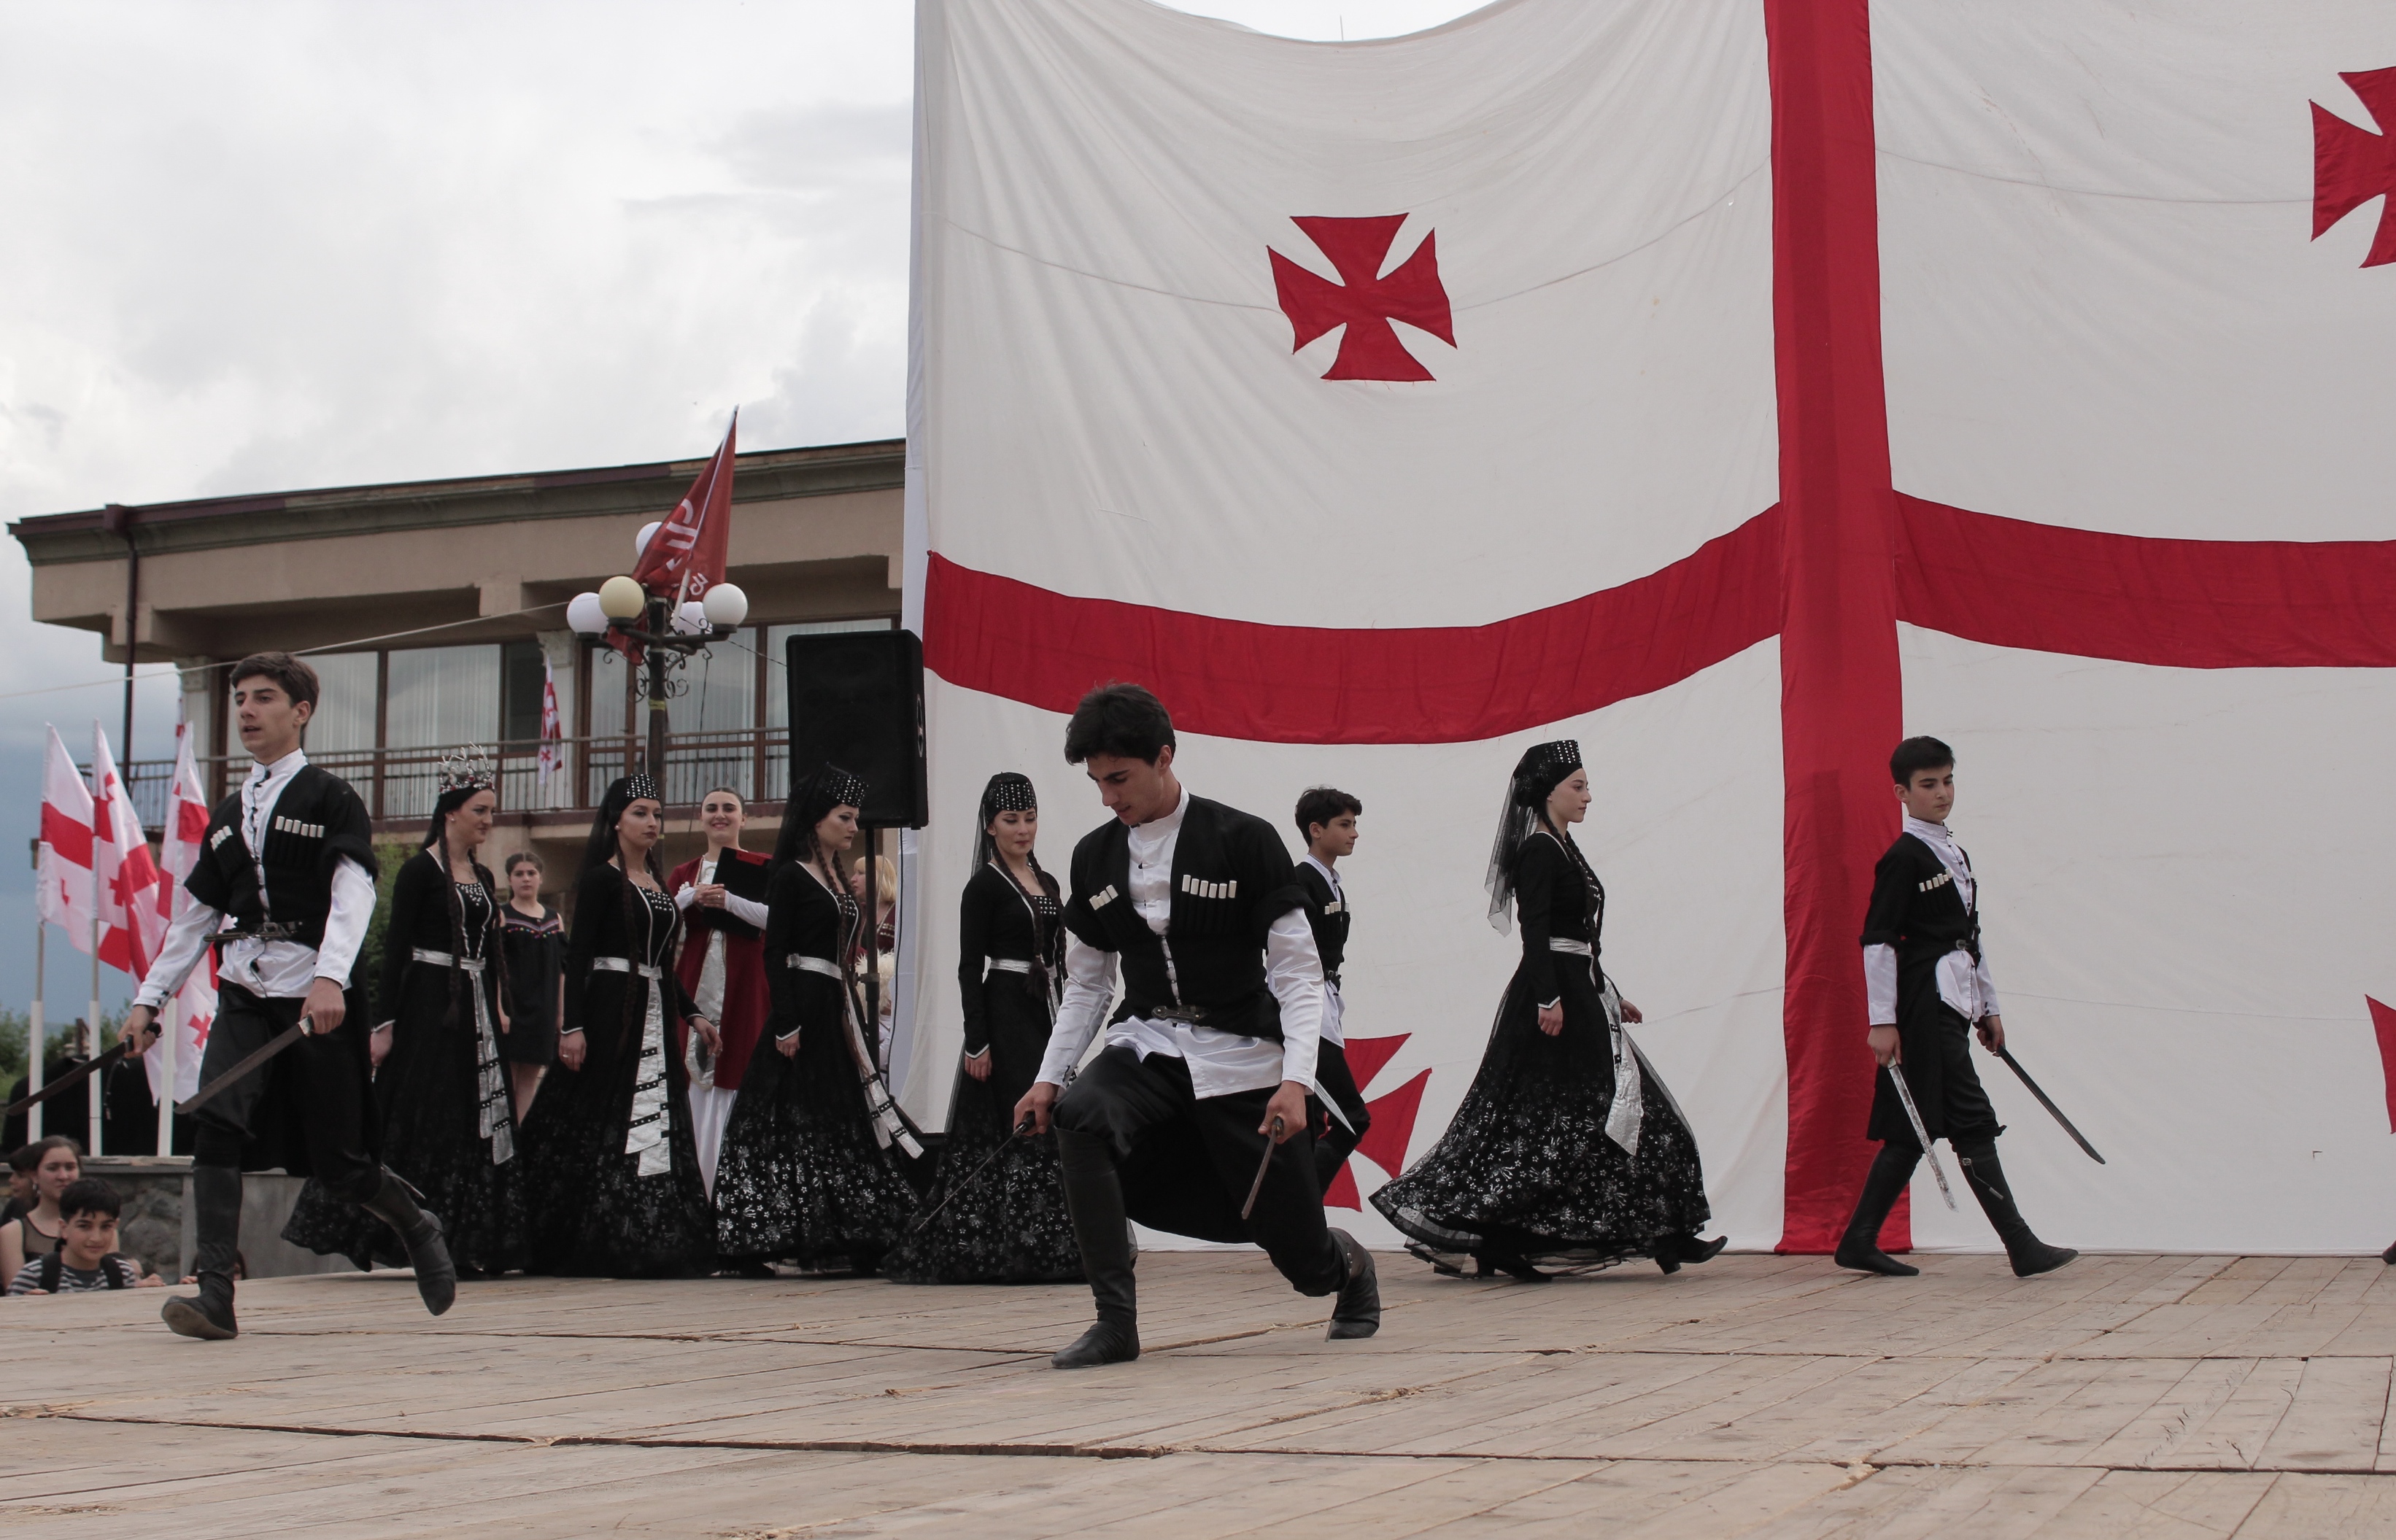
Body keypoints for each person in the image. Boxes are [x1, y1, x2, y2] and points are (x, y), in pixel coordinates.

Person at [1016, 684, 1380, 1369]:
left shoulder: (1244, 839)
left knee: (1302, 1258)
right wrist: (1048, 1078)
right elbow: (1089, 985)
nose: (1108, 797)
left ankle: (1347, 1267)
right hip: (1149, 1041)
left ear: (1164, 757)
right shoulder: (1094, 856)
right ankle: (1115, 1323)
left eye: (1119, 778)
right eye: (1097, 783)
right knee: (1082, 1116)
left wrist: (1297, 1080)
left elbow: (1299, 975)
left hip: (1243, 1051)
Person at [120, 651, 451, 1340]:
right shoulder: (226, 814)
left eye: (263, 697)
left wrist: (331, 976)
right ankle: (215, 1292)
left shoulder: (331, 797)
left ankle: (416, 1224)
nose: (247, 709)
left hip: (313, 992)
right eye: (240, 697)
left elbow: (354, 890)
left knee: (341, 1163)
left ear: (301, 712)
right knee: (216, 1125)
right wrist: (150, 1001)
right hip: (244, 988)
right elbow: (195, 919)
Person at [1372, 740, 1723, 1282]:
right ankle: (1510, 1239)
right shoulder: (1539, 850)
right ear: (1548, 792)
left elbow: (1580, 938)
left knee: (1595, 1117)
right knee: (1574, 1118)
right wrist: (1548, 999)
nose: (1588, 796)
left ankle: (1663, 1234)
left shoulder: (1562, 846)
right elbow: (1535, 930)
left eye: (1586, 786)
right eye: (1578, 786)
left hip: (1578, 992)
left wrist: (1609, 991)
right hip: (1556, 1001)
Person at [1837, 738, 2077, 1279]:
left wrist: (1987, 1007)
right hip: (1923, 1005)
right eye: (1928, 784)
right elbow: (1878, 941)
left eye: (1947, 781)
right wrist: (1882, 1020)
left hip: (1952, 1003)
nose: (1942, 793)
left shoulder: (1955, 854)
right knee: (1969, 1117)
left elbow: (1969, 938)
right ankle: (2021, 1245)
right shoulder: (1903, 858)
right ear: (1902, 793)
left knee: (1914, 1125)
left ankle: (1858, 1240)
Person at [285, 748, 523, 1274]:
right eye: (481, 810)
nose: (489, 820)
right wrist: (385, 1023)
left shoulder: (484, 876)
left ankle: (467, 1236)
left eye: (491, 811)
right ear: (451, 812)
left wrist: (499, 1005)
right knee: (422, 1110)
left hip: (476, 1011)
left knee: (473, 1113)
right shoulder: (419, 871)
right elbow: (395, 950)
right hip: (429, 1007)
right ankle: (403, 1224)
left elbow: (491, 950)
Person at [714, 766, 924, 1273]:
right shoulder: (791, 875)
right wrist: (787, 1022)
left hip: (834, 1003)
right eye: (844, 817)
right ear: (816, 820)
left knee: (836, 1112)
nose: (853, 826)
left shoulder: (836, 879)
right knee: (790, 1111)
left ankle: (840, 1232)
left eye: (855, 818)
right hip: (805, 1004)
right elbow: (775, 950)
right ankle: (778, 1233)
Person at [884, 773, 1081, 1285]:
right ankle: (1014, 1241)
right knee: (1020, 1110)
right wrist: (977, 1040)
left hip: (1045, 1010)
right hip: (1006, 1011)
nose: (1023, 829)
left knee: (1056, 1104)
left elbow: (1058, 956)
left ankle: (1060, 1240)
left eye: (1030, 818)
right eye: (1011, 820)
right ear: (991, 825)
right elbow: (969, 967)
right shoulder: (984, 886)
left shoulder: (1047, 881)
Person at [520, 774, 719, 1277]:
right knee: (600, 1114)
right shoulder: (601, 880)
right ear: (615, 821)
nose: (652, 822)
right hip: (610, 1012)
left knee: (654, 1114)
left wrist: (693, 1013)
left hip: (654, 1011)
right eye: (640, 813)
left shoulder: (657, 884)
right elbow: (579, 955)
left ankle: (649, 1229)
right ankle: (589, 1229)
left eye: (657, 814)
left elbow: (661, 964)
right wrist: (572, 1026)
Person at [669, 787, 773, 1195]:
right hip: (696, 982)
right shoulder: (685, 872)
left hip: (748, 982)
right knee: (693, 1071)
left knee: (741, 1062)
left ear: (744, 818)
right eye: (711, 808)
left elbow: (775, 919)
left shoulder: (763, 866)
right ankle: (695, 1184)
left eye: (729, 808)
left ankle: (739, 1185)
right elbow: (662, 915)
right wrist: (691, 895)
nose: (720, 815)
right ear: (701, 817)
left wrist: (729, 901)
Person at [1293, 787, 1372, 1191]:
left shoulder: (1332, 884)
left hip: (1325, 1002)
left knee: (1313, 1120)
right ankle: (1302, 1205)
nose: (1354, 833)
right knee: (1350, 1118)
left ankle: (1300, 1212)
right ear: (1316, 830)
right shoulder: (1300, 882)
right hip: (1304, 1010)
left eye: (1354, 824)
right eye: (1345, 824)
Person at [7, 1179, 163, 1295]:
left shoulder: (122, 1274)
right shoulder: (34, 1276)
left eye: (105, 1227)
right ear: (64, 1228)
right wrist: (29, 1308)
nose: (96, 1238)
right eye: (84, 1226)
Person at [498, 850, 565, 1121]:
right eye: (519, 874)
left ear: (541, 878)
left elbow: (562, 970)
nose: (526, 879)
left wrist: (561, 1013)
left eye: (531, 873)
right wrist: (499, 1010)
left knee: (529, 1078)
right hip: (513, 1008)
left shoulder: (554, 918)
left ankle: (522, 1134)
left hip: (543, 1010)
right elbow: (495, 968)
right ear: (510, 880)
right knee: (507, 1078)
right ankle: (504, 1135)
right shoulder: (502, 915)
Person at [0, 1137, 82, 1290]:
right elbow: (18, 1294)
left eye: (70, 1167)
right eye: (53, 1168)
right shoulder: (14, 1233)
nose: (63, 1176)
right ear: (35, 1176)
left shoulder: (103, 1227)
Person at [850, 853, 900, 1068]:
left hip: (889, 1005)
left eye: (861, 873)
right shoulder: (857, 912)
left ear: (879, 877)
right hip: (859, 998)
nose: (853, 879)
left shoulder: (898, 912)